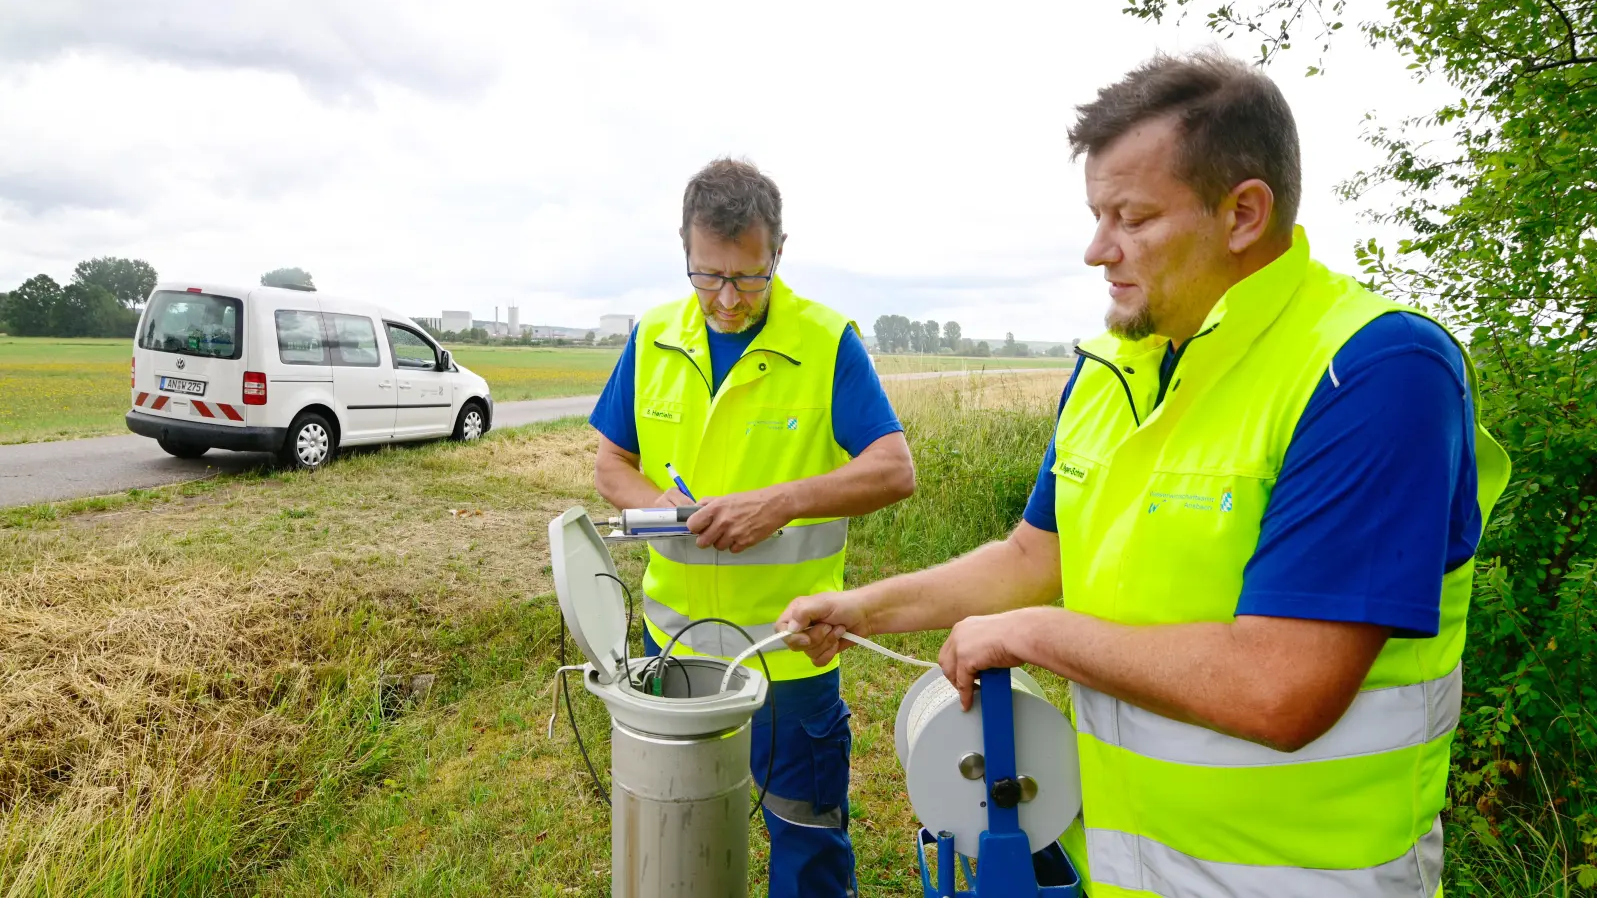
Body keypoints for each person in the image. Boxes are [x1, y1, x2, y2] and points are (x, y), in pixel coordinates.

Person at [778, 51, 1510, 897]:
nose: (1098, 250)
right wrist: (863, 607)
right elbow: (1031, 558)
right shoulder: (1113, 373)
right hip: (1123, 871)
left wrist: (1031, 635)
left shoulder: (1375, 372)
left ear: (1242, 213)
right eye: (1096, 215)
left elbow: (1281, 687)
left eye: (1130, 217)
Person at [588, 157, 915, 897]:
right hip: (672, 643)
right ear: (684, 252)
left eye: (748, 277)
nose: (727, 300)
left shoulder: (828, 341)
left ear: (779, 251)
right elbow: (612, 465)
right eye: (707, 277)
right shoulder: (652, 337)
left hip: (788, 652)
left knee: (805, 836)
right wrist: (670, 515)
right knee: (679, 832)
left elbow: (895, 469)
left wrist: (782, 501)